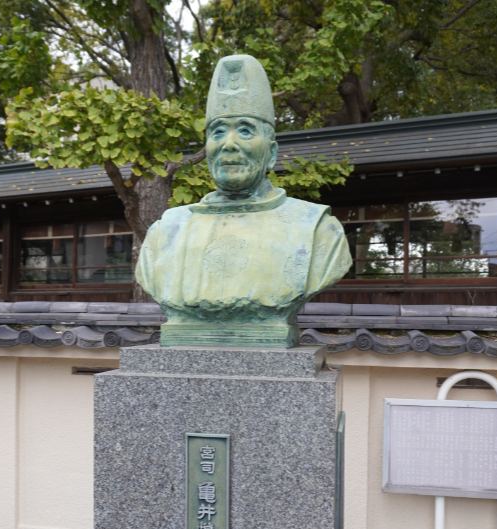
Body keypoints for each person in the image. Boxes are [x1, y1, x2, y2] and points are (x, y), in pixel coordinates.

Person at [136, 54, 351, 347]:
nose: (229, 144)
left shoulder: (317, 229)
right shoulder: (167, 231)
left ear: (272, 153)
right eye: (218, 132)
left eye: (246, 130)